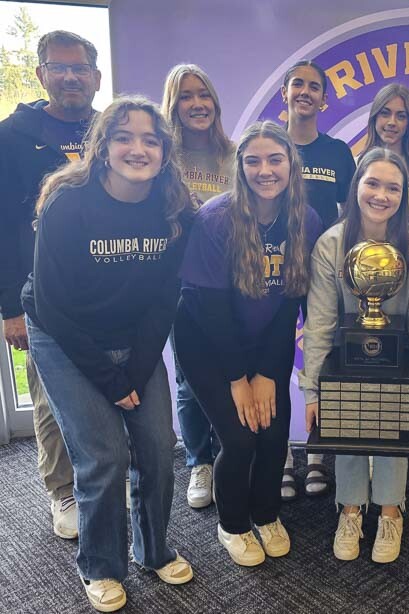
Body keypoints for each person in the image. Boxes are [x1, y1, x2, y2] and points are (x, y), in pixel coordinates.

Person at [23, 96, 195, 612]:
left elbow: (166, 297)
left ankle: (154, 549)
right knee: (104, 456)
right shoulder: (67, 202)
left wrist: (138, 370)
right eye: (124, 136)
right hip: (63, 335)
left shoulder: (173, 208)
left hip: (134, 336)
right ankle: (99, 565)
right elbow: (53, 306)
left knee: (159, 448)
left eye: (150, 139)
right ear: (102, 145)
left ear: (164, 152)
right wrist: (112, 380)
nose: (137, 148)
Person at [174, 121, 322, 567]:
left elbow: (288, 304)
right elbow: (211, 308)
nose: (265, 170)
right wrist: (240, 378)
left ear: (291, 166)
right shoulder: (216, 218)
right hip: (207, 342)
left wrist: (267, 374)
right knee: (239, 438)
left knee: (275, 434)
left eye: (275, 159)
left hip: (264, 342)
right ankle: (234, 524)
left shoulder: (305, 219)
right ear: (240, 167)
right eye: (253, 160)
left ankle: (267, 514)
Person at [299, 147, 409, 564]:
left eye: (393, 187)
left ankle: (390, 511)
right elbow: (321, 322)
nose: (382, 195)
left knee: (392, 431)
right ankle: (349, 509)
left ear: (404, 194)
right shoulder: (331, 244)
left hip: (398, 365)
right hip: (346, 364)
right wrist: (313, 391)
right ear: (356, 185)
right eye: (373, 183)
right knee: (348, 428)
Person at [0, 30, 101, 540]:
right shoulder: (11, 136)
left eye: (79, 68)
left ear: (96, 77)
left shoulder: (112, 130)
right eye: (58, 67)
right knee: (49, 395)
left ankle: (101, 480)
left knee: (105, 389)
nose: (69, 77)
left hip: (107, 291)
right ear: (41, 74)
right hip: (41, 296)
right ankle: (62, 489)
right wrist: (7, 306)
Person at [280, 59, 356, 499]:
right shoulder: (270, 144)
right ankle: (282, 457)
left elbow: (351, 214)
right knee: (272, 361)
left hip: (323, 274)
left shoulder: (336, 152)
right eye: (298, 85)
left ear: (324, 100)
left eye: (313, 86)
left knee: (324, 360)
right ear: (285, 95)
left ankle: (317, 454)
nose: (305, 92)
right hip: (271, 272)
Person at [161, 63, 235, 509]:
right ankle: (198, 461)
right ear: (174, 106)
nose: (196, 104)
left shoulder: (233, 154)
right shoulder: (164, 162)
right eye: (186, 96)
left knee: (231, 372)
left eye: (203, 95)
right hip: (183, 286)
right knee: (189, 379)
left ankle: (230, 450)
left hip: (231, 284)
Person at [360, 83, 409, 225]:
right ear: (374, 117)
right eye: (385, 113)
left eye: (401, 116)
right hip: (366, 246)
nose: (392, 122)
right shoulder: (356, 163)